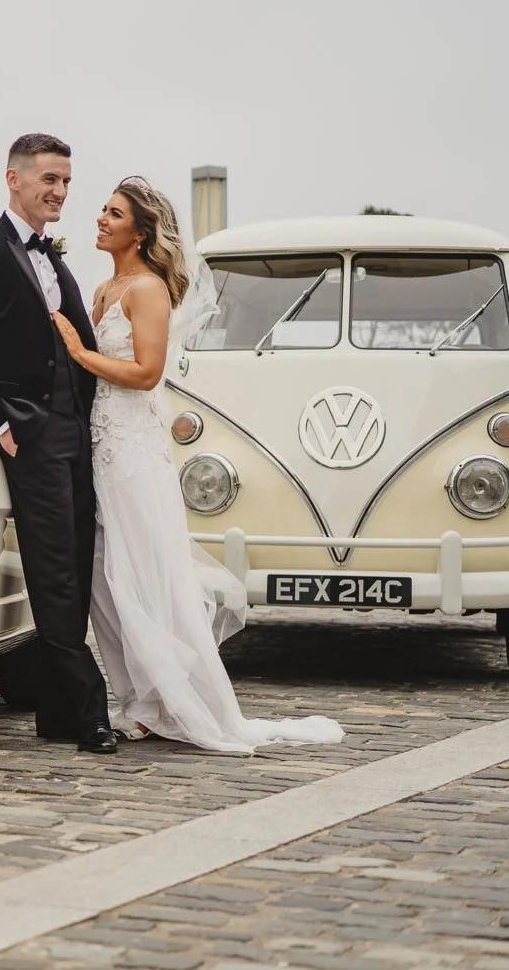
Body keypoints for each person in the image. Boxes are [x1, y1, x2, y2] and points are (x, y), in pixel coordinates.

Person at [51, 176, 344, 752]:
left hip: (132, 449)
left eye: (114, 214)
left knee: (142, 571)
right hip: (98, 444)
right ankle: (137, 698)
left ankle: (166, 700)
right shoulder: (105, 287)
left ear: (140, 231)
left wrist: (80, 353)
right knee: (104, 579)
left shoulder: (148, 289)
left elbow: (146, 373)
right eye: (103, 211)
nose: (101, 220)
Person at [0, 133, 118, 754]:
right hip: (29, 438)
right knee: (53, 573)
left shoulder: (55, 257)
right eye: (49, 179)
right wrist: (2, 426)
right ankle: (90, 708)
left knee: (76, 560)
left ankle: (55, 713)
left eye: (66, 181)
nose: (60, 191)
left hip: (77, 434)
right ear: (13, 179)